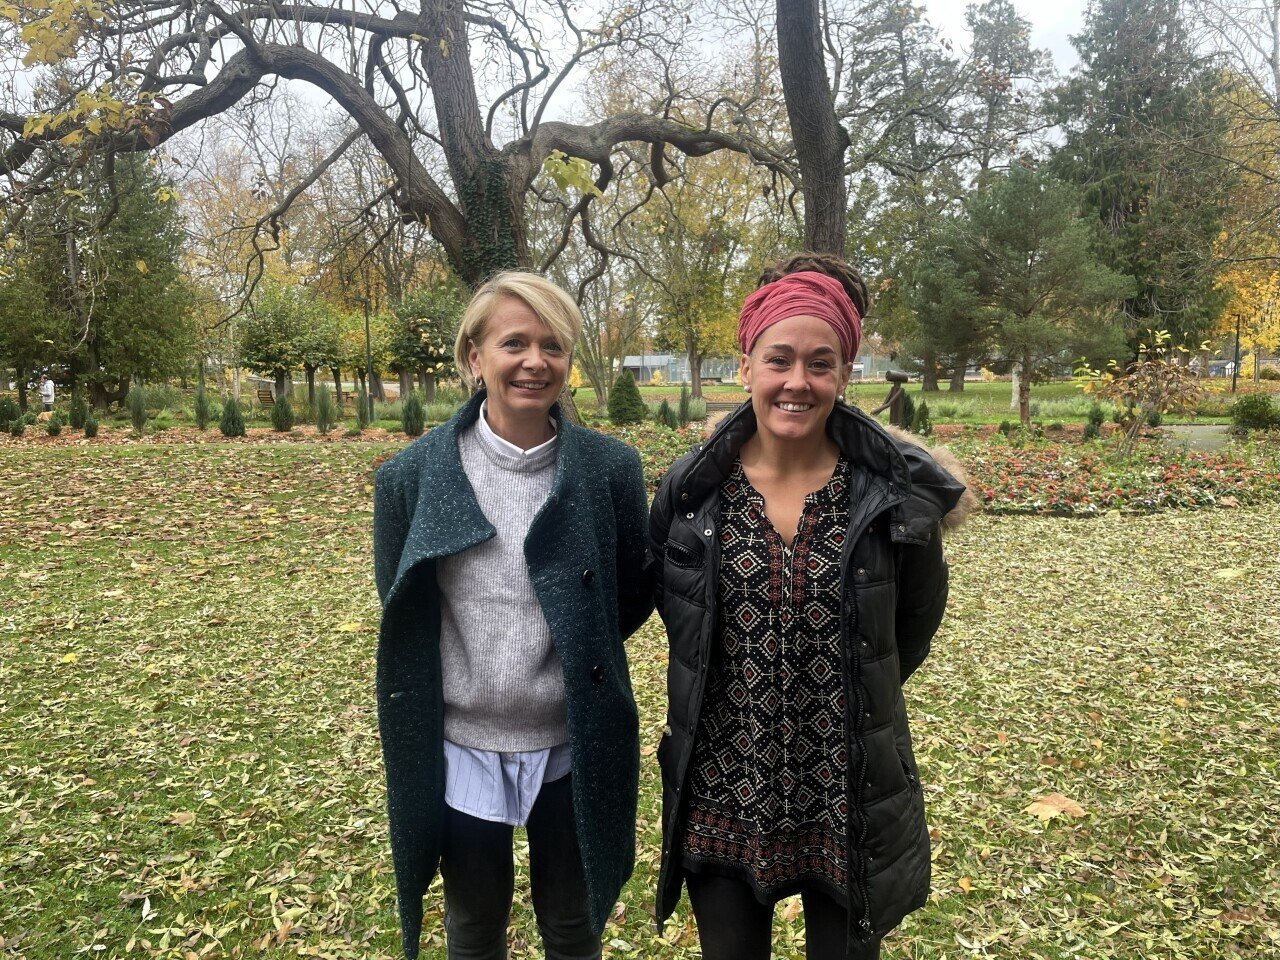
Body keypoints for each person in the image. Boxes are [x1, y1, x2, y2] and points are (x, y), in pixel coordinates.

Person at [649, 253, 976, 960]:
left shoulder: (890, 500)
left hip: (847, 789)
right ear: (746, 367)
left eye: (821, 363)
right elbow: (680, 620)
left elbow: (909, 631)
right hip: (723, 786)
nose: (798, 381)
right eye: (779, 360)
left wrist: (839, 694)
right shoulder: (691, 494)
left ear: (843, 374)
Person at [372, 271, 653, 960]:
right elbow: (402, 608)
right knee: (473, 926)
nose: (535, 361)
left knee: (571, 925)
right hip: (463, 744)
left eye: (553, 346)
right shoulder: (410, 478)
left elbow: (628, 595)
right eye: (514, 342)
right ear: (475, 357)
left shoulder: (610, 471)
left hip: (572, 741)